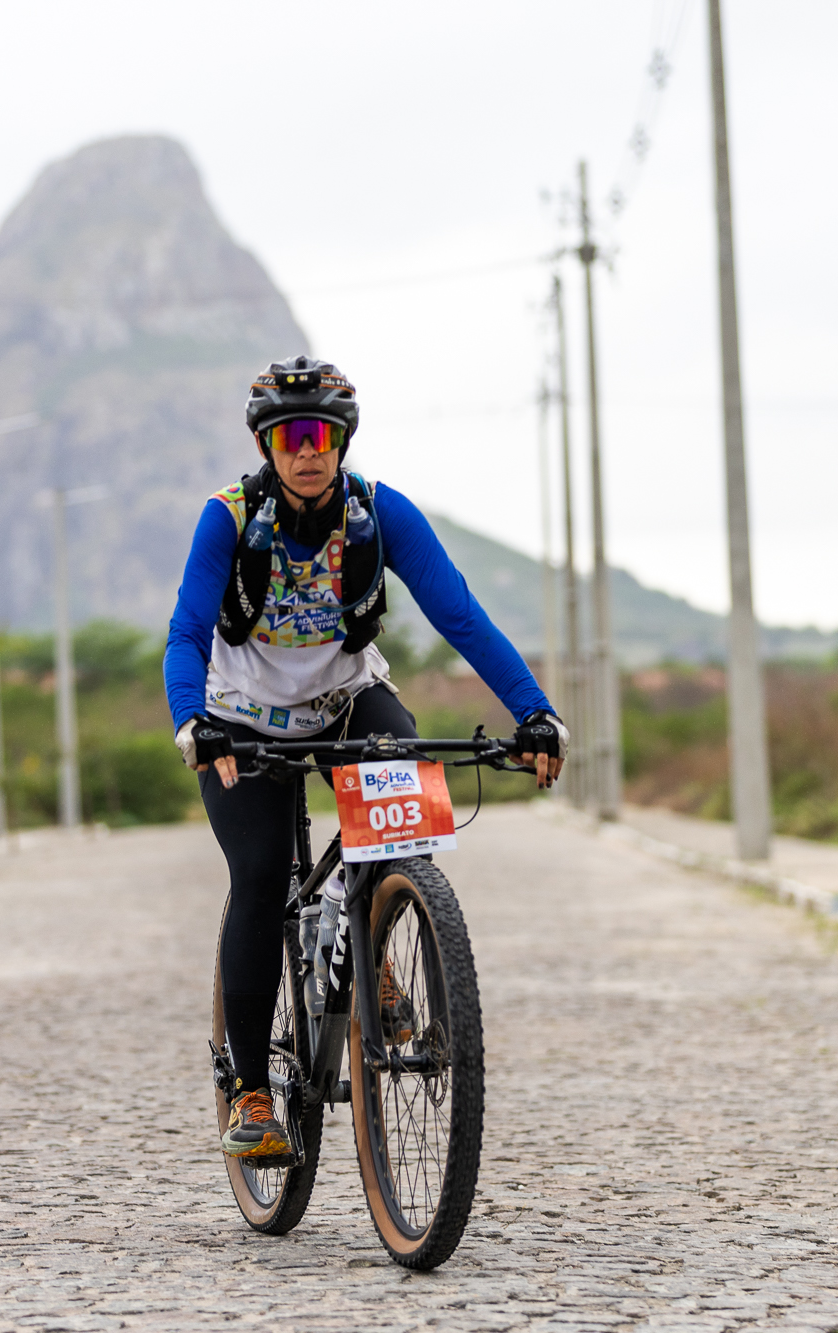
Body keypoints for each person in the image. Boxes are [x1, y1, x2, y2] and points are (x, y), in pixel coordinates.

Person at [164, 355, 568, 1159]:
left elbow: (461, 614)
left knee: (403, 795)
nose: (307, 450)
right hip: (239, 717)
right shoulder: (230, 517)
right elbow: (185, 632)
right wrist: (191, 723)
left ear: (343, 443)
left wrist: (533, 710)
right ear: (266, 446)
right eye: (289, 437)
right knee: (262, 875)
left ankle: (377, 935)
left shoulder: (379, 515)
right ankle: (250, 1091)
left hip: (346, 697)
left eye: (322, 435)